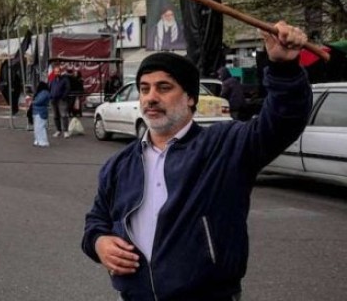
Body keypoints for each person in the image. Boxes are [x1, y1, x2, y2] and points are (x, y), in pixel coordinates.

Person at [81, 21, 312, 301]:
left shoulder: (224, 147)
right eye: (144, 88)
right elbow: (97, 221)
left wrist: (284, 69)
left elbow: (283, 121)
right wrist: (99, 243)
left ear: (190, 98)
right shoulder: (120, 164)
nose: (151, 98)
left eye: (164, 87)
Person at [49, 67, 70, 138]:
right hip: (53, 100)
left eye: (58, 72)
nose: (57, 73)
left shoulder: (65, 80)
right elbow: (50, 89)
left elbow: (67, 88)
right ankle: (58, 130)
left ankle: (66, 131)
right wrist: (50, 96)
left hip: (61, 100)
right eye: (55, 72)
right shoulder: (52, 81)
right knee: (55, 116)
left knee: (64, 115)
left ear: (60, 72)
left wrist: (63, 96)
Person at [30, 82, 50, 148]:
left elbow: (39, 101)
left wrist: (32, 102)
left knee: (40, 127)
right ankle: (38, 140)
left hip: (40, 112)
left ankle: (43, 142)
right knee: (37, 127)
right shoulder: (43, 92)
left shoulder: (44, 93)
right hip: (38, 111)